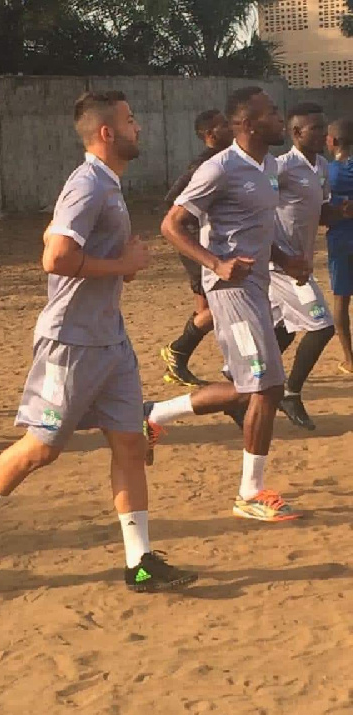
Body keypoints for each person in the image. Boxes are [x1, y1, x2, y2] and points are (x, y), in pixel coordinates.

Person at [0, 91, 198, 593]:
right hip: (71, 342)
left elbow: (54, 238)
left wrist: (117, 270)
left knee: (130, 444)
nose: (140, 127)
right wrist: (123, 266)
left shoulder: (106, 184)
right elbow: (56, 258)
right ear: (107, 132)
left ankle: (140, 561)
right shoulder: (87, 184)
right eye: (131, 120)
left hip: (111, 340)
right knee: (42, 450)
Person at [146, 87, 310, 522]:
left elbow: (257, 230)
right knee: (266, 386)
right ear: (249, 124)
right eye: (271, 112)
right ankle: (249, 494)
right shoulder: (219, 168)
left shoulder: (269, 166)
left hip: (257, 286)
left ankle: (154, 414)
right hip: (230, 292)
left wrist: (285, 258)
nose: (279, 118)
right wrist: (216, 264)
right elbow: (171, 224)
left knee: (253, 385)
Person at [270, 104, 352, 429]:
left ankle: (246, 386)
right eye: (313, 129)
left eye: (322, 128)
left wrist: (343, 211)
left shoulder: (320, 167)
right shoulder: (280, 168)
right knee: (322, 326)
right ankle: (289, 392)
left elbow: (321, 215)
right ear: (296, 133)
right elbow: (257, 207)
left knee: (283, 332)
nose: (321, 134)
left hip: (298, 263)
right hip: (283, 266)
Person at [160, 109, 234, 387]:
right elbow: (172, 203)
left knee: (206, 309)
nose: (232, 128)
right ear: (211, 135)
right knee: (218, 308)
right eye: (225, 124)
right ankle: (177, 350)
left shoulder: (228, 160)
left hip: (207, 247)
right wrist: (195, 237)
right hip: (198, 247)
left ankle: (177, 362)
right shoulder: (204, 165)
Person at [325, 118, 353, 374]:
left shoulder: (326, 172)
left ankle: (349, 359)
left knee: (341, 300)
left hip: (341, 241)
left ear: (332, 141)